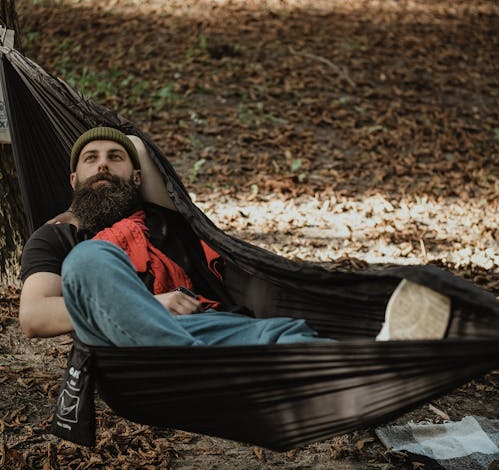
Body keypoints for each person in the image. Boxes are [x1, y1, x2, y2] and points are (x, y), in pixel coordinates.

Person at [19, 127, 451, 347]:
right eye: (91, 160)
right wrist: (147, 306)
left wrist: (124, 150)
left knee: (285, 333)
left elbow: (141, 151)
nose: (102, 166)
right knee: (90, 260)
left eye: (114, 159)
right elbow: (34, 317)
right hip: (124, 346)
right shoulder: (58, 238)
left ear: (135, 177)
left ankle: (379, 356)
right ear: (73, 178)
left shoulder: (163, 217)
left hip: (205, 335)